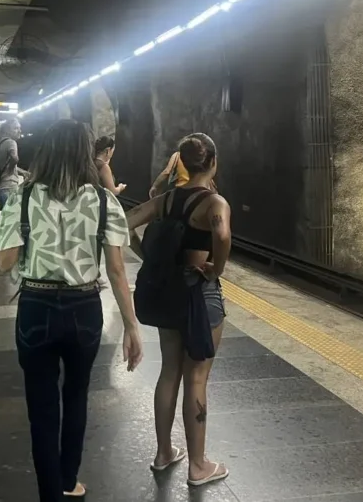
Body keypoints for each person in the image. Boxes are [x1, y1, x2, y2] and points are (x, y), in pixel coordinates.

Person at [0, 120, 143, 501]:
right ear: (84, 153)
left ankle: (51, 494)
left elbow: (7, 262)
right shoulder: (105, 199)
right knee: (77, 394)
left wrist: (17, 248)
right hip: (84, 308)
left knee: (41, 408)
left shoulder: (23, 197)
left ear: (45, 150)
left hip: (36, 308)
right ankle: (68, 479)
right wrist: (132, 327)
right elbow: (116, 269)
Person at [125, 133, 232, 488]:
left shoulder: (166, 200)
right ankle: (198, 466)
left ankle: (163, 453)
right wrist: (215, 269)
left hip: (168, 293)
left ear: (182, 163)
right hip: (200, 294)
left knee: (170, 370)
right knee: (197, 377)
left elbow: (123, 223)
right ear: (213, 162)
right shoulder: (214, 203)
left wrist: (147, 256)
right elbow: (223, 236)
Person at [0, 119, 26, 258]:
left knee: (5, 218)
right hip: (7, 186)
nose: (19, 131)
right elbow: (14, 158)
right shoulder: (11, 142)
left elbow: (5, 163)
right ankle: (5, 250)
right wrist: (12, 169)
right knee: (10, 218)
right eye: (16, 128)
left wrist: (21, 172)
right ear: (9, 130)